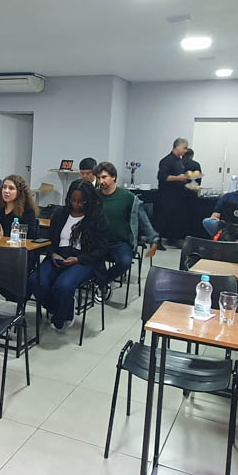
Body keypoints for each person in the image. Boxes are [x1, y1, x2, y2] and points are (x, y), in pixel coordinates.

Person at [28, 181, 109, 331]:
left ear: (89, 200)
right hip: (59, 254)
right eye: (73, 200)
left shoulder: (97, 218)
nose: (76, 204)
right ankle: (63, 307)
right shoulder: (60, 214)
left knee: (63, 286)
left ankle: (61, 317)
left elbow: (102, 248)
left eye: (81, 201)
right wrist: (53, 254)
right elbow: (50, 240)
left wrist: (78, 259)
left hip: (84, 259)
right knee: (35, 280)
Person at [95, 161, 160, 301]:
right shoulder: (95, 196)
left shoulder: (127, 197)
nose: (101, 181)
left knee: (125, 261)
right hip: (98, 241)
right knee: (91, 258)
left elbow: (143, 220)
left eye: (104, 177)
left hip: (120, 242)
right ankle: (101, 283)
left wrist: (153, 238)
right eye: (99, 178)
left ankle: (102, 281)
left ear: (113, 177)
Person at [0, 175, 38, 311]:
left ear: (19, 192)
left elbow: (30, 239)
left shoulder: (27, 213)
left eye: (11, 188)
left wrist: (4, 237)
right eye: (4, 187)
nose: (6, 191)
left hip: (18, 257)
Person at [156, 138, 191, 245]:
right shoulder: (166, 160)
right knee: (162, 219)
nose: (185, 151)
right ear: (177, 146)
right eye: (184, 148)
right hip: (167, 195)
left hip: (178, 195)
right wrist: (178, 178)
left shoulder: (179, 161)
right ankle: (156, 242)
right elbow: (162, 177)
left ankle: (172, 239)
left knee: (175, 219)